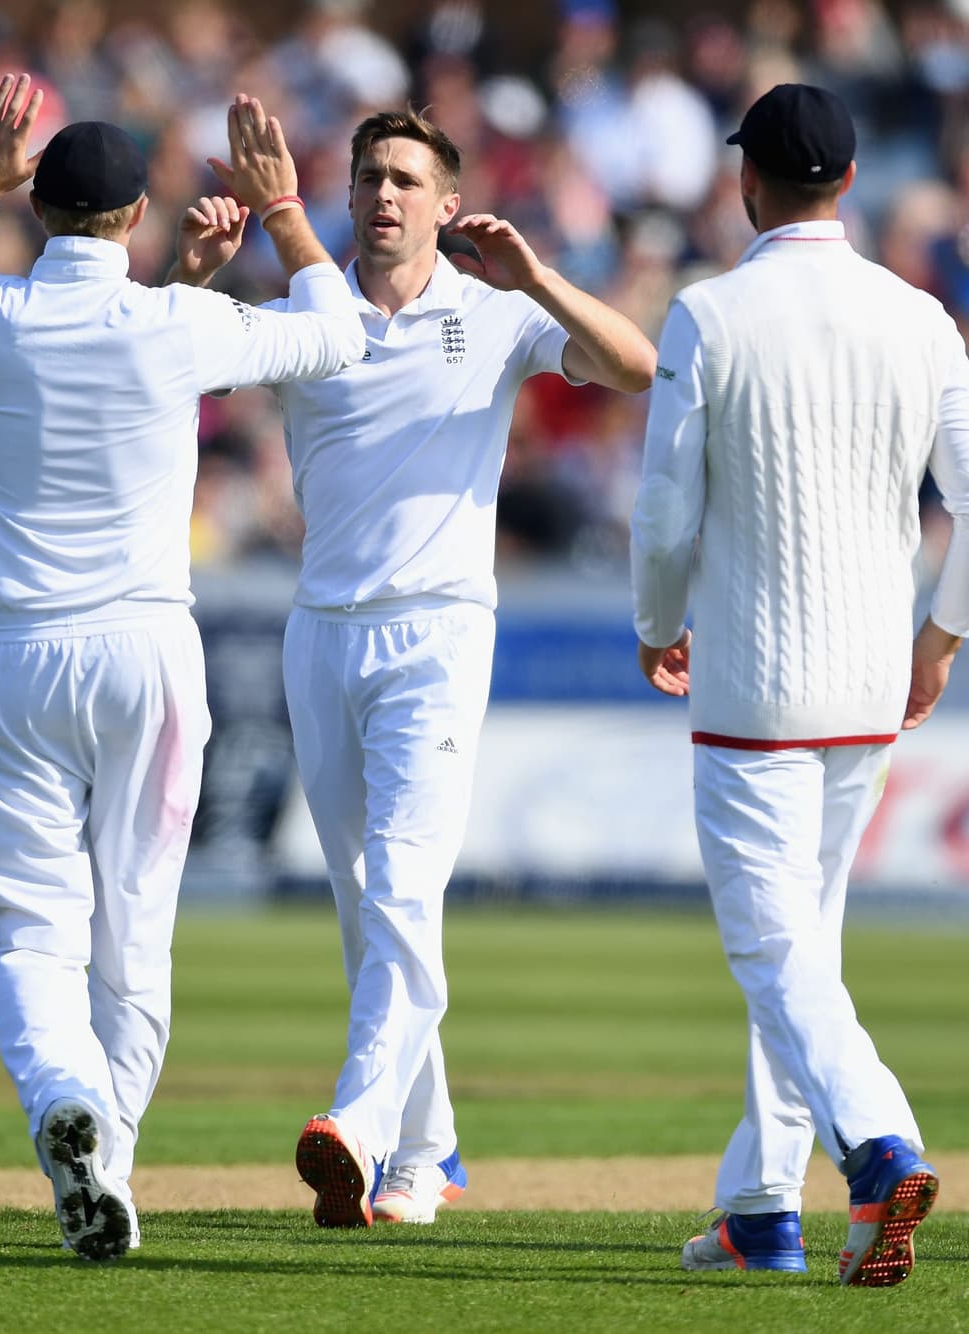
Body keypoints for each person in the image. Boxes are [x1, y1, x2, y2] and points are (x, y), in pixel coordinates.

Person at [0, 77, 364, 1259]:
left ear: (39, 211)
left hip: (19, 658)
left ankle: (64, 1106)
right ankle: (114, 1156)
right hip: (147, 655)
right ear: (140, 215)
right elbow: (340, 334)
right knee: (135, 929)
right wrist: (284, 209)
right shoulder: (179, 325)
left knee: (32, 935)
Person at [171, 106, 656, 1228]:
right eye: (368, 178)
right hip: (320, 630)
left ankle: (359, 1117)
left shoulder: (492, 316)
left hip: (437, 629)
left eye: (406, 179)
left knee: (401, 881)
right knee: (366, 905)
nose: (384, 195)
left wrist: (535, 276)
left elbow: (635, 367)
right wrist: (189, 275)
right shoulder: (309, 307)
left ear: (447, 202)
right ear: (345, 199)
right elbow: (168, 368)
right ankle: (427, 1154)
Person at [630, 84, 969, 1286]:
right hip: (865, 688)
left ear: (748, 181)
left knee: (773, 952)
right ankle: (758, 1209)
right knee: (803, 951)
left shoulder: (708, 312)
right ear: (849, 183)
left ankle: (878, 1141)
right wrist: (940, 640)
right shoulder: (921, 316)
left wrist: (655, 621)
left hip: (752, 682)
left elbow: (661, 511)